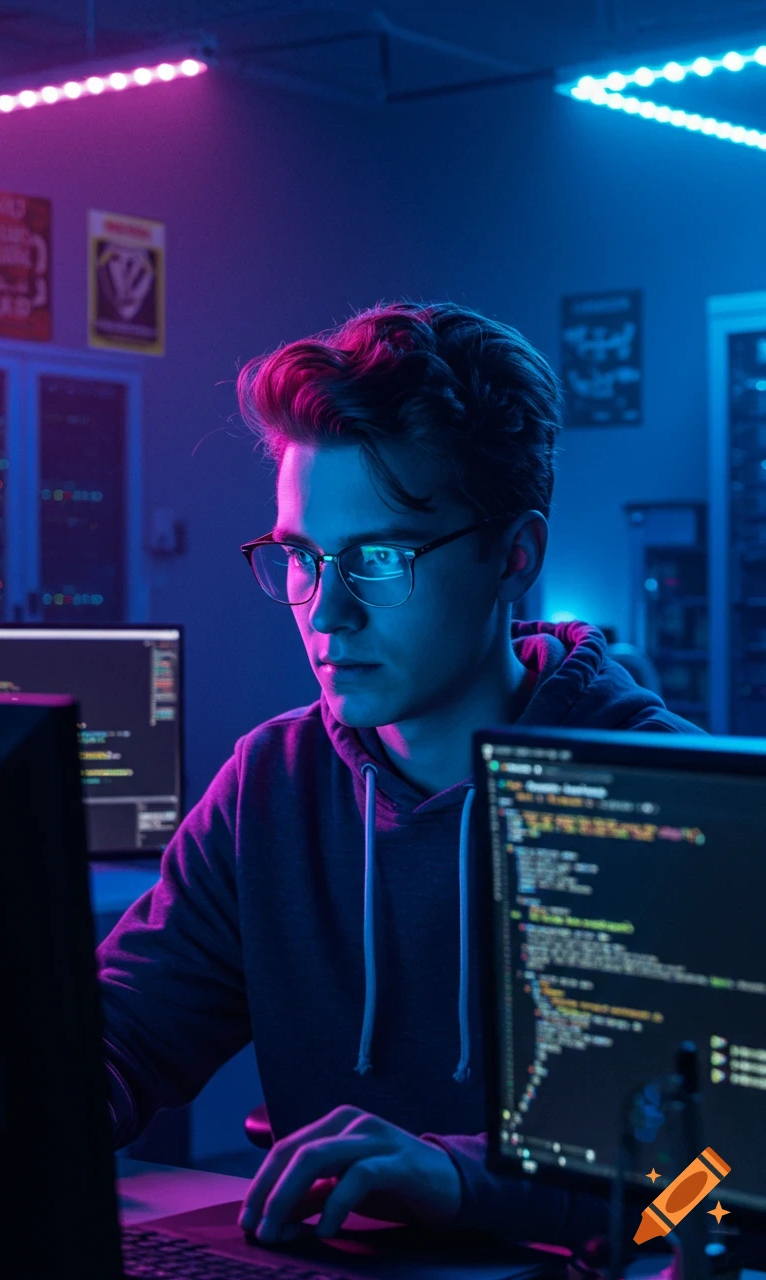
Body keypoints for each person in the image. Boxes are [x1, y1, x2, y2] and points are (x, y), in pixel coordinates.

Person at [97, 300, 706, 1252]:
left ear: (516, 557)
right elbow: (121, 1034)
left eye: (378, 558)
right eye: (301, 556)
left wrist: (465, 1180)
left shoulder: (662, 797)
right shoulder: (272, 785)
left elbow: (713, 1184)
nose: (325, 611)